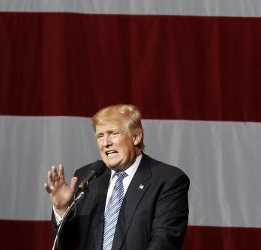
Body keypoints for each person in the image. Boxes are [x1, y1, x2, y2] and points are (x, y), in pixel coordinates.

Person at [44, 104, 189, 250]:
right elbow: (68, 243)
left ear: (136, 137)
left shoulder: (167, 180)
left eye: (113, 133)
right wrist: (62, 209)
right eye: (100, 136)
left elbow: (164, 242)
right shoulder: (88, 178)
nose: (106, 143)